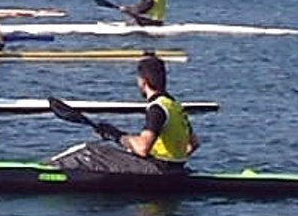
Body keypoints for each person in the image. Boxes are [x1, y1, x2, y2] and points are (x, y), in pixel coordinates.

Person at [54, 54, 198, 175]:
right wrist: (171, 162)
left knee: (90, 151)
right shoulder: (175, 106)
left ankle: (47, 171)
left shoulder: (157, 108)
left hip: (157, 170)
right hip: (175, 170)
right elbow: (194, 144)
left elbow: (142, 148)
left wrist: (117, 136)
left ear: (143, 82)